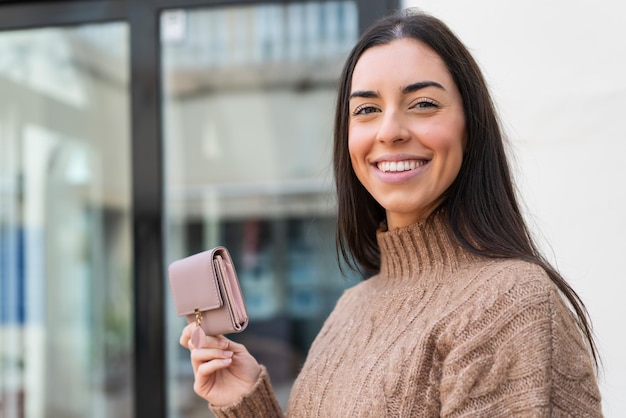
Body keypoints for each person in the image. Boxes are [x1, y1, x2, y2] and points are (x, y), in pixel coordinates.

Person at [179, 9, 602, 417]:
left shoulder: (510, 304)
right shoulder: (352, 306)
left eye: (422, 104)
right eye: (366, 110)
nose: (389, 131)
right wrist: (251, 404)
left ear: (470, 126)